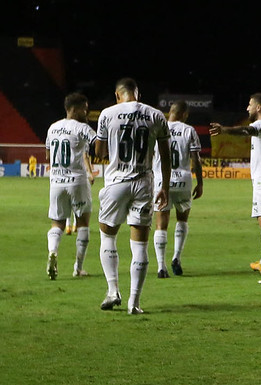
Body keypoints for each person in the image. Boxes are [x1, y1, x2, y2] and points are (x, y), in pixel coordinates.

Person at [95, 78, 171, 314]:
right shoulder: (156, 115)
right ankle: (134, 303)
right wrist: (164, 186)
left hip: (116, 182)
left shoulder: (107, 114)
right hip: (144, 184)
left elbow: (99, 152)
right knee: (140, 244)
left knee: (108, 237)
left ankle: (112, 291)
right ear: (137, 94)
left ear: (118, 95)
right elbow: (165, 155)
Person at [209, 93, 261, 284]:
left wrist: (224, 130)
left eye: (249, 105)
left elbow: (246, 131)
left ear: (258, 107)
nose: (247, 108)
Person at [45, 92, 96, 280]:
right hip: (77, 181)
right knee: (83, 224)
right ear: (74, 109)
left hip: (56, 182)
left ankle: (53, 252)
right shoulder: (82, 128)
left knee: (57, 224)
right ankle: (78, 268)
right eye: (84, 108)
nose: (86, 111)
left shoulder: (53, 128)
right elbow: (97, 144)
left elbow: (47, 156)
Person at [152, 100, 204, 278]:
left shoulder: (158, 128)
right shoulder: (188, 130)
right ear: (185, 115)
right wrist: (201, 182)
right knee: (182, 219)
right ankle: (176, 257)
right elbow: (196, 159)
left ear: (170, 112)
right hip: (183, 180)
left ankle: (161, 266)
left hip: (161, 180)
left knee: (161, 223)